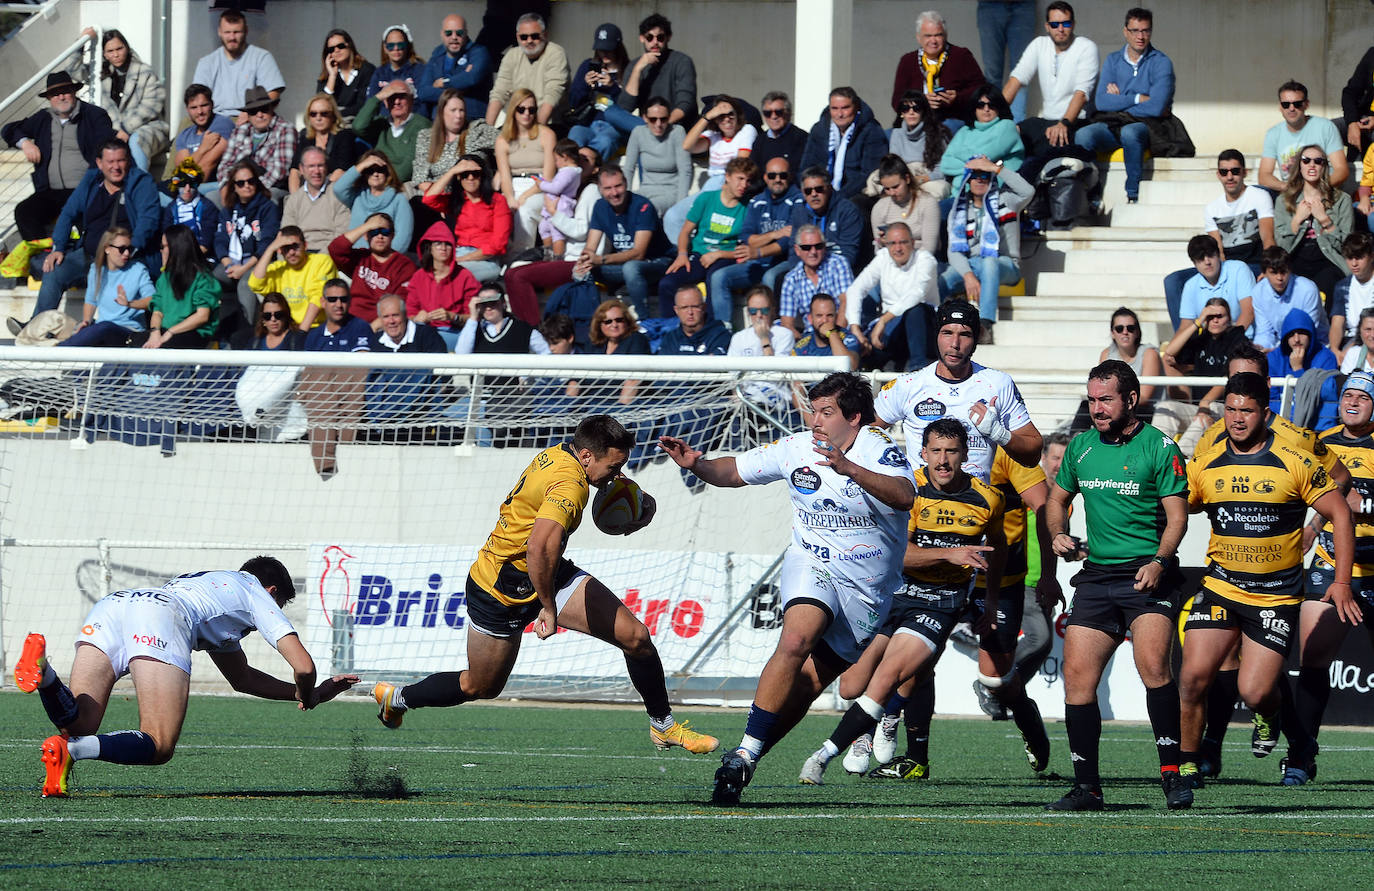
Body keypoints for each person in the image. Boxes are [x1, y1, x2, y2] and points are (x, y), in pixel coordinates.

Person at [373, 415, 719, 761]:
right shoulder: (571, 485)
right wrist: (549, 608)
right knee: (481, 686)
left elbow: (545, 546)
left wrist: (629, 495)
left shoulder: (559, 454)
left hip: (544, 573)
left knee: (636, 637)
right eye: (614, 467)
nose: (616, 475)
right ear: (586, 456)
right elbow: (539, 547)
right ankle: (398, 698)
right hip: (498, 587)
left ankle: (663, 724)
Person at [658, 372, 916, 804]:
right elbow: (735, 471)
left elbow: (906, 495)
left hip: (867, 588)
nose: (815, 420)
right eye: (813, 410)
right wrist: (698, 464)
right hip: (811, 561)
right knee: (795, 639)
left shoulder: (880, 450)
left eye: (827, 412)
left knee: (810, 685)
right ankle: (743, 752)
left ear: (855, 418)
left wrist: (847, 467)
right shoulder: (795, 448)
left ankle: (750, 758)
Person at [799, 419, 1049, 785]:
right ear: (923, 453)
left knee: (992, 679)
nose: (943, 461)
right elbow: (894, 555)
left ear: (966, 454)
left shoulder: (990, 492)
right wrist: (950, 554)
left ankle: (826, 755)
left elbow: (997, 550)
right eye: (936, 452)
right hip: (899, 593)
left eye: (951, 452)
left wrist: (991, 603)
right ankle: (886, 724)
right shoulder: (908, 489)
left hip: (945, 598)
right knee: (854, 686)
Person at [12, 557, 358, 797]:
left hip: (115, 604)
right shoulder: (255, 591)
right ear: (272, 592)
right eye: (279, 604)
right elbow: (304, 667)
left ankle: (45, 677)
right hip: (159, 615)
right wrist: (310, 690)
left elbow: (243, 678)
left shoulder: (212, 591)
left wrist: (302, 696)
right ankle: (72, 751)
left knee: (80, 721)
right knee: (159, 743)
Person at [1177, 372, 1356, 796]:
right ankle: (1185, 767)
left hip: (1274, 597)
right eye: (1231, 410)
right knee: (1192, 678)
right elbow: (1174, 512)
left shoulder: (1294, 460)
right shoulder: (1205, 463)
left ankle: (1270, 714)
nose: (1237, 419)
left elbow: (1342, 514)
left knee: (1255, 692)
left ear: (1266, 414)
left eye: (1247, 410)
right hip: (1220, 587)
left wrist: (1343, 582)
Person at [1043, 359, 1192, 811]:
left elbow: (1178, 517)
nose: (1097, 408)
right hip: (1097, 577)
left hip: (1148, 576)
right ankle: (1087, 787)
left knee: (1154, 669)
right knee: (1076, 681)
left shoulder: (1160, 447)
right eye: (1091, 399)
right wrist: (1056, 534)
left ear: (1131, 400)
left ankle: (1172, 775)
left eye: (1105, 399)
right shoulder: (1081, 446)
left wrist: (1160, 562)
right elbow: (1055, 501)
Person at [1278, 371, 1374, 785]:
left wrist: (1360, 503)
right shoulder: (1324, 444)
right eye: (1347, 395)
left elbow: (1350, 501)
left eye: (1362, 398)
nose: (1352, 402)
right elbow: (1320, 499)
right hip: (1331, 567)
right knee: (1314, 656)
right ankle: (1301, 756)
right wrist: (1314, 527)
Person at [875, 299, 1042, 478]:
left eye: (965, 335)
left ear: (976, 340)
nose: (955, 343)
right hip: (921, 503)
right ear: (936, 336)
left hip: (975, 503)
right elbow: (862, 435)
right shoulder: (907, 385)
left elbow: (1033, 455)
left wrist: (999, 434)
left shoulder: (998, 384)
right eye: (947, 333)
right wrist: (893, 472)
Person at [17, 138, 159, 333]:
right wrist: (58, 248)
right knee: (54, 271)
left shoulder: (141, 183)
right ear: (100, 163)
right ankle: (33, 329)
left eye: (121, 161)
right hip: (89, 256)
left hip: (127, 259)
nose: (116, 167)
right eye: (110, 162)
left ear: (128, 161)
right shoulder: (92, 181)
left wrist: (126, 251)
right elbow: (68, 213)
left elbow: (148, 222)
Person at [1, 72, 114, 282]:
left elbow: (105, 146)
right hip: (50, 191)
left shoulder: (93, 115)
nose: (61, 97)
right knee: (24, 212)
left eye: (65, 92)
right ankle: (43, 261)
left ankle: (85, 269)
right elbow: (8, 129)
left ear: (74, 92)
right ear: (49, 98)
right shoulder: (44, 118)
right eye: (55, 94)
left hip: (85, 188)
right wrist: (25, 142)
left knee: (89, 220)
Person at [1072, 8, 1175, 203]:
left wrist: (1119, 100)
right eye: (1135, 30)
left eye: (1146, 30)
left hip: (1149, 126)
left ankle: (1133, 194)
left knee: (1130, 132)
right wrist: (1137, 98)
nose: (1141, 36)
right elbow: (1101, 102)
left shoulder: (1162, 62)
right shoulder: (1113, 60)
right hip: (1114, 122)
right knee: (1083, 135)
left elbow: (1156, 107)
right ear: (1125, 31)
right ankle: (1092, 194)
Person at [1161, 150, 1276, 326]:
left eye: (1235, 171)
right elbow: (1217, 251)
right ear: (1218, 174)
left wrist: (1269, 268)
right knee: (1173, 281)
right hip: (1225, 268)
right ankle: (1183, 340)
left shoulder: (1259, 196)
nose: (1230, 177)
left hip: (1254, 266)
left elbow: (1268, 238)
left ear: (1245, 172)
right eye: (1224, 172)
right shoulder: (1212, 208)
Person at [941, 158, 1033, 342]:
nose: (980, 179)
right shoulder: (959, 209)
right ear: (968, 181)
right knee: (944, 277)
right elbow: (954, 251)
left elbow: (1028, 191)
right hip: (971, 265)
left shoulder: (1006, 201)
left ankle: (985, 324)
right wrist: (967, 275)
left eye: (985, 175)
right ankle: (937, 323)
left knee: (989, 262)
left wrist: (996, 168)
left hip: (1005, 264)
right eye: (975, 176)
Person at [657, 156, 754, 322]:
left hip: (726, 256)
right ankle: (671, 332)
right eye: (740, 179)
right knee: (667, 284)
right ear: (728, 177)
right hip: (699, 253)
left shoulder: (747, 207)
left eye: (748, 181)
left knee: (714, 280)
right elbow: (685, 231)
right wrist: (682, 255)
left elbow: (745, 249)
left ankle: (713, 331)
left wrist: (719, 254)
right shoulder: (707, 198)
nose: (744, 185)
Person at [1001, 2, 1098, 159]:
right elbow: (1016, 80)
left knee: (1048, 149)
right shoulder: (1039, 44)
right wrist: (996, 118)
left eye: (1065, 23)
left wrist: (1064, 123)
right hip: (1046, 121)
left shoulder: (1086, 47)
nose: (1060, 29)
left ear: (1073, 24)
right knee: (1009, 135)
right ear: (1047, 26)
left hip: (1074, 122)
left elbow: (1081, 93)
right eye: (1055, 24)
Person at [578, 164, 671, 317]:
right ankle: (592, 319)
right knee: (583, 271)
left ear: (626, 184)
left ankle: (644, 319)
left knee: (631, 268)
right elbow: (590, 246)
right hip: (624, 265)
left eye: (618, 186)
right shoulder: (600, 206)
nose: (614, 193)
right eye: (608, 188)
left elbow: (638, 253)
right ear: (600, 189)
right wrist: (585, 259)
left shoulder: (643, 206)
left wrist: (600, 259)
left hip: (657, 262)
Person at [1161, 297, 1251, 455]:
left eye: (1219, 316)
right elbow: (1170, 352)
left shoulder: (1237, 337)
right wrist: (1198, 321)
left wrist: (1205, 403)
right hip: (1198, 409)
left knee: (1207, 412)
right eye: (1210, 317)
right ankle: (1154, 454)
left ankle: (1179, 458)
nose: (1215, 320)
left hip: (1224, 409)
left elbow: (1229, 376)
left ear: (1229, 319)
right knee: (1166, 407)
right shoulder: (1201, 339)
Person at [844, 221, 939, 371]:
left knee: (915, 310)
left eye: (903, 242)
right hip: (893, 330)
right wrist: (855, 327)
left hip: (923, 332)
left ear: (913, 243)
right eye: (892, 243)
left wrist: (883, 320)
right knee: (858, 342)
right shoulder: (883, 257)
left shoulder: (926, 260)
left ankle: (918, 369)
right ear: (886, 245)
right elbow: (856, 289)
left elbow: (917, 294)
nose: (898, 248)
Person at [300, 278, 371, 478]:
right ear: (323, 302)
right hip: (322, 395)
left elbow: (360, 366)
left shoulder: (360, 327)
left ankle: (331, 459)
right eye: (332, 299)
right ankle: (327, 462)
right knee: (318, 382)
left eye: (343, 299)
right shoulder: (313, 336)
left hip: (348, 391)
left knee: (340, 377)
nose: (338, 304)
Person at [661, 95, 757, 242]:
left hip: (729, 184)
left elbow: (741, 165)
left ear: (737, 115)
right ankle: (682, 254)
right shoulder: (712, 135)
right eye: (721, 116)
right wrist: (708, 116)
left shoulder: (746, 131)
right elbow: (687, 146)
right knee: (673, 216)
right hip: (711, 187)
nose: (726, 120)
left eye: (730, 114)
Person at [714, 157, 805, 304]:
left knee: (770, 277)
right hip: (758, 262)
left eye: (782, 175)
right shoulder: (757, 201)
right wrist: (775, 234)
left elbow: (787, 242)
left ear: (790, 176)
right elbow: (746, 238)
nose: (777, 179)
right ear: (765, 177)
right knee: (719, 277)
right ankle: (724, 325)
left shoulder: (798, 200)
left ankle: (771, 324)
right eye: (772, 175)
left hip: (786, 261)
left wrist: (758, 251)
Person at [410, 88, 500, 233]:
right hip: (438, 196)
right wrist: (443, 201)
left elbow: (507, 143)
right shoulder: (426, 137)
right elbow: (420, 178)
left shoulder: (477, 131)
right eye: (453, 110)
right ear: (441, 112)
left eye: (462, 110)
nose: (458, 116)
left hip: (471, 195)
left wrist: (499, 174)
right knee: (417, 205)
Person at [1274, 144, 1355, 301]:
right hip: (1295, 259)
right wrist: (1297, 219)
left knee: (1328, 281)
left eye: (1318, 161)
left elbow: (1348, 247)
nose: (1312, 165)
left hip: (1329, 259)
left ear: (1324, 166)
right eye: (1306, 160)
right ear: (1300, 166)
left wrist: (1325, 220)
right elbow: (1281, 248)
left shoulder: (1341, 200)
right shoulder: (1284, 201)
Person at [85, 28, 168, 172]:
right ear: (104, 54)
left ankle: (138, 185)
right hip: (116, 132)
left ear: (127, 48)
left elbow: (151, 105)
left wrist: (126, 129)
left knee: (136, 141)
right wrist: (83, 42)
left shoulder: (144, 71)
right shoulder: (102, 75)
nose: (116, 54)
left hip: (148, 129)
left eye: (119, 48)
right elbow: (73, 70)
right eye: (110, 51)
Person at [422, 154, 511, 283]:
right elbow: (429, 199)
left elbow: (498, 245)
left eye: (475, 174)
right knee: (425, 276)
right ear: (459, 177)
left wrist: (462, 259)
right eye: (465, 174)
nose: (470, 178)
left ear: (482, 176)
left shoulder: (497, 200)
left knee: (453, 276)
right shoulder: (457, 200)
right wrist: (452, 171)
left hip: (485, 260)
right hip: (458, 253)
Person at [59, 226, 153, 348]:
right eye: (122, 249)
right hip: (102, 330)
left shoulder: (138, 269)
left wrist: (129, 304)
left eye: (129, 249)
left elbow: (152, 300)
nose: (126, 253)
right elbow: (91, 301)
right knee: (94, 329)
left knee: (104, 327)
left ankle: (58, 351)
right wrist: (86, 322)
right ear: (107, 249)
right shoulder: (96, 270)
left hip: (129, 332)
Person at [214, 159, 280, 330]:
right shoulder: (227, 210)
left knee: (246, 283)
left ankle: (248, 333)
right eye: (241, 183)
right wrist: (228, 264)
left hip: (258, 263)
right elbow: (220, 240)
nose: (247, 186)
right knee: (209, 281)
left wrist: (243, 268)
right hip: (233, 263)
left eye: (251, 181)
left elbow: (267, 244)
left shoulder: (267, 208)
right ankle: (216, 334)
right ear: (234, 186)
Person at [890, 10, 986, 128]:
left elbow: (981, 89)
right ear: (918, 38)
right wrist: (921, 102)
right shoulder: (908, 61)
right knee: (888, 135)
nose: (933, 41)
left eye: (938, 35)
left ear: (945, 36)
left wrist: (957, 98)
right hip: (917, 122)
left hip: (952, 119)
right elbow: (896, 101)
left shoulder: (961, 56)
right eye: (928, 36)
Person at [798, 86, 887, 201]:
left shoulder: (872, 131)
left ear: (855, 107)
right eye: (834, 108)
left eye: (845, 108)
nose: (840, 114)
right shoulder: (819, 130)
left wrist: (838, 197)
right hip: (820, 190)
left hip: (856, 193)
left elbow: (869, 173)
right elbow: (806, 167)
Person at [190, 9, 285, 118]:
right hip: (214, 118)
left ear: (246, 31)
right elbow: (197, 97)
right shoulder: (206, 62)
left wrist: (252, 113)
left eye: (237, 32)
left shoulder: (262, 57)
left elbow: (273, 93)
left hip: (252, 117)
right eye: (227, 32)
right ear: (219, 32)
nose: (232, 37)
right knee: (183, 129)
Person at [495, 88, 556, 253]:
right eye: (521, 109)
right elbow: (505, 177)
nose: (526, 114)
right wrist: (509, 197)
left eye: (532, 109)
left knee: (525, 210)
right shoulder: (502, 140)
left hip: (539, 186)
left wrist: (524, 196)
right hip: (513, 184)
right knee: (498, 209)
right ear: (513, 111)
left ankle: (521, 257)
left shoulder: (547, 135)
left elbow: (548, 177)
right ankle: (497, 256)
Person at [1259, 80, 1348, 192]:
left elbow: (1342, 171)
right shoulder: (1273, 134)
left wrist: (1315, 189)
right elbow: (1264, 176)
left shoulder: (1326, 127)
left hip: (1323, 192)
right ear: (1280, 107)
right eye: (1286, 104)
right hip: (1291, 194)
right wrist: (1287, 187)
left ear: (1306, 104)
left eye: (1297, 104)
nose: (1291, 108)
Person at [327, 213, 417, 324]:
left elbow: (399, 304)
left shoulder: (404, 265)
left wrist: (375, 326)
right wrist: (366, 226)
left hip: (384, 325)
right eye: (373, 232)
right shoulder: (360, 257)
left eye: (385, 232)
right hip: (351, 322)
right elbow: (335, 249)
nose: (380, 236)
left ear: (392, 236)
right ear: (366, 236)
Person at [1170, 235, 1256, 351]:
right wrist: (1171, 351)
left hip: (1243, 341)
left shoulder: (1239, 269)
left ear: (1219, 254)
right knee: (1168, 360)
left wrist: (1228, 342)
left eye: (1210, 255)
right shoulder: (1190, 285)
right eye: (1200, 258)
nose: (1207, 262)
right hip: (1208, 345)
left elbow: (1249, 312)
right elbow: (1185, 326)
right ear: (1194, 263)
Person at [483, 13, 569, 126]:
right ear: (517, 37)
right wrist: (486, 130)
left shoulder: (555, 53)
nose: (529, 41)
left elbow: (552, 95)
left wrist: (535, 133)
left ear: (545, 35)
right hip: (515, 122)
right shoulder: (512, 55)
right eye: (524, 37)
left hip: (548, 123)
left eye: (534, 36)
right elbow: (499, 92)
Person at [565, 22, 635, 160]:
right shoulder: (587, 66)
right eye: (601, 49)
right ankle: (576, 174)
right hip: (588, 122)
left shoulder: (628, 69)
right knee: (575, 137)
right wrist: (585, 85)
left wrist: (613, 87)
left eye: (609, 49)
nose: (604, 53)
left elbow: (628, 105)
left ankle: (589, 173)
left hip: (613, 126)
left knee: (605, 142)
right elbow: (573, 101)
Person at [143, 224, 220, 350]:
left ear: (177, 248)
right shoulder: (164, 278)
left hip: (194, 334)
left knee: (165, 347)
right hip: (166, 332)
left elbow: (202, 316)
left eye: (164, 246)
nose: (161, 251)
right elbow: (157, 311)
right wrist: (154, 332)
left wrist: (171, 332)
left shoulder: (203, 278)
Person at [247, 226, 338, 330]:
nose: (291, 252)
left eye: (295, 246)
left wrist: (301, 332)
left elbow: (318, 297)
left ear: (305, 245)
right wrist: (271, 248)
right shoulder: (277, 268)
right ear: (280, 250)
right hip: (287, 329)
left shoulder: (321, 261)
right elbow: (255, 285)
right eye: (286, 248)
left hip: (317, 327)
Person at [408, 221, 480, 349]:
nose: (443, 247)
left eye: (448, 244)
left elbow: (475, 318)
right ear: (430, 248)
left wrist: (453, 317)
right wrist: (417, 319)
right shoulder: (418, 277)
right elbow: (409, 313)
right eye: (438, 243)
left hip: (453, 333)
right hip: (423, 332)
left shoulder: (465, 276)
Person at [616, 14, 697, 128]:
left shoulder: (682, 61)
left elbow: (685, 103)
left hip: (676, 126)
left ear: (668, 37)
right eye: (649, 37)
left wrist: (662, 125)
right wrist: (638, 69)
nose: (655, 42)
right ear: (642, 38)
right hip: (646, 127)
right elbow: (625, 107)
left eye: (660, 37)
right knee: (612, 113)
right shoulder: (635, 65)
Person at [1267, 309, 1340, 431]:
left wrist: (1298, 370)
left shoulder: (1327, 357)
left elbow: (1324, 399)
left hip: (1316, 425)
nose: (1296, 339)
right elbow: (1271, 399)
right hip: (1280, 425)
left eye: (1301, 333)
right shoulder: (1273, 358)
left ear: (1311, 334)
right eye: (1291, 334)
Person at [783, 167, 865, 273]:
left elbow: (849, 255)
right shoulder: (799, 212)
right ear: (803, 193)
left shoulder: (847, 211)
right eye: (808, 191)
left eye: (819, 189)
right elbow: (794, 252)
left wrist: (823, 275)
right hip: (808, 269)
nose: (814, 194)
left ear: (829, 188)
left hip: (839, 271)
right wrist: (803, 274)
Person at [219, 86, 296, 198]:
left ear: (271, 108)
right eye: (253, 111)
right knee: (208, 195)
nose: (259, 115)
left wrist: (250, 189)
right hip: (238, 186)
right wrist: (227, 186)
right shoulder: (240, 131)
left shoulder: (285, 129)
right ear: (248, 114)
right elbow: (225, 165)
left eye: (264, 109)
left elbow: (280, 171)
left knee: (270, 197)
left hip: (269, 187)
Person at [779, 224, 854, 338]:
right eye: (806, 247)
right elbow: (786, 324)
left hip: (841, 334)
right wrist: (805, 346)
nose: (813, 252)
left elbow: (847, 303)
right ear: (797, 250)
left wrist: (834, 338)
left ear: (824, 247)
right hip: (811, 341)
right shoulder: (791, 279)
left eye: (818, 246)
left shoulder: (838, 264)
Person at [622, 96, 691, 217]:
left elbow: (685, 171)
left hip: (670, 192)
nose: (658, 124)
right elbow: (629, 168)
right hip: (645, 189)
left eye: (663, 119)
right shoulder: (638, 132)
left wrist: (681, 205)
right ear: (645, 118)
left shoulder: (677, 132)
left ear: (669, 118)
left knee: (646, 209)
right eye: (653, 119)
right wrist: (625, 196)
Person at [513, 138, 583, 258]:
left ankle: (557, 258)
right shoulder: (567, 171)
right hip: (550, 209)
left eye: (556, 159)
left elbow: (556, 188)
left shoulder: (569, 172)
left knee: (557, 234)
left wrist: (541, 184)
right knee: (544, 229)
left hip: (560, 208)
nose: (555, 163)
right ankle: (548, 254)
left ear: (565, 157)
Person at [333, 151, 414, 253]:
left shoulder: (399, 200)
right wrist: (362, 165)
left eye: (380, 170)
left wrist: (383, 260)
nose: (375, 174)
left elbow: (403, 238)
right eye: (370, 170)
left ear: (387, 172)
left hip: (384, 261)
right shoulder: (357, 195)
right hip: (357, 258)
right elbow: (338, 188)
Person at [352, 80, 431, 185]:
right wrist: (377, 98)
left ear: (411, 100)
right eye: (392, 97)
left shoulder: (422, 125)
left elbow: (408, 167)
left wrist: (384, 184)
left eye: (402, 97)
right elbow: (358, 127)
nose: (397, 102)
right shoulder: (381, 124)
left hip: (405, 185)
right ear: (385, 102)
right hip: (378, 182)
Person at [938, 85, 1025, 179]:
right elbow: (945, 164)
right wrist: (972, 165)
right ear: (974, 108)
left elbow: (984, 157)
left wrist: (958, 156)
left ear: (999, 107)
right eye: (981, 105)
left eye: (992, 105)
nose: (986, 109)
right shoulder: (965, 130)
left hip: (995, 188)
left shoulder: (1007, 126)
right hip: (961, 190)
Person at [1250, 246, 1326, 352]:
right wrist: (1261, 350)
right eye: (1274, 273)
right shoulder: (1258, 292)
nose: (1280, 278)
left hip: (1314, 346)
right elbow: (1264, 332)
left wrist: (1278, 353)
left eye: (1283, 272)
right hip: (1279, 346)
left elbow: (1309, 332)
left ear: (1290, 270)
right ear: (1264, 273)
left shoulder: (1307, 289)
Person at [419, 14, 493, 121]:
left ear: (466, 33)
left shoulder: (479, 52)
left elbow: (471, 78)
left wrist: (445, 83)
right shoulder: (436, 56)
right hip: (438, 120)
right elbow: (423, 92)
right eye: (448, 33)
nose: (454, 37)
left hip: (471, 118)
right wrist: (459, 86)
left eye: (459, 33)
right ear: (442, 34)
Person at [870, 153, 941, 256]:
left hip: (923, 261)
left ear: (907, 179)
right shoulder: (879, 208)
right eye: (887, 189)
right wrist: (881, 243)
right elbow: (878, 251)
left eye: (896, 187)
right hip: (892, 262)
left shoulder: (927, 202)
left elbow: (929, 248)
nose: (892, 193)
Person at [282, 147, 351, 253]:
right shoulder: (294, 200)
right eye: (311, 166)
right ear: (301, 169)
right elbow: (287, 236)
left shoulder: (338, 195)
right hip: (301, 255)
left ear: (326, 167)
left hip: (330, 255)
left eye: (320, 165)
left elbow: (342, 235)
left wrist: (318, 261)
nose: (316, 171)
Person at [169, 84, 234, 192]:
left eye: (204, 105)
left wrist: (184, 185)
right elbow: (181, 171)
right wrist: (203, 149)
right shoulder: (185, 135)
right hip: (189, 187)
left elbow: (207, 166)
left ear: (212, 105)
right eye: (194, 107)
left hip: (216, 186)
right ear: (187, 110)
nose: (200, 112)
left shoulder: (223, 124)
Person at [290, 94, 358, 189]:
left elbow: (341, 171)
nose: (318, 118)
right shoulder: (305, 137)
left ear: (333, 115)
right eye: (313, 114)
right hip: (308, 189)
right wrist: (295, 198)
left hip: (333, 189)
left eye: (324, 113)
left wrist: (318, 195)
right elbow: (295, 170)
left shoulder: (344, 136)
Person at [885, 92, 949, 186]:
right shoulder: (896, 134)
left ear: (923, 111)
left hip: (930, 179)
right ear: (902, 113)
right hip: (904, 178)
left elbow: (943, 168)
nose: (911, 112)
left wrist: (922, 179)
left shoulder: (937, 133)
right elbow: (895, 165)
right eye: (906, 109)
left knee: (939, 188)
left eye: (916, 108)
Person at [159, 159, 220, 258]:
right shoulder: (171, 208)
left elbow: (206, 243)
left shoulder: (207, 207)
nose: (187, 189)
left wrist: (189, 259)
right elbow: (166, 239)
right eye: (183, 184)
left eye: (192, 184)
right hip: (176, 257)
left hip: (202, 258)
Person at [316, 29, 375, 122]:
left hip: (357, 123)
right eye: (331, 49)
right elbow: (320, 106)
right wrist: (332, 76)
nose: (336, 50)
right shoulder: (326, 75)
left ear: (349, 46)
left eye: (341, 46)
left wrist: (335, 114)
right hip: (331, 123)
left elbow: (363, 105)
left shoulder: (367, 70)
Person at [792, 293, 861, 371]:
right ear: (810, 318)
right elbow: (794, 379)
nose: (825, 320)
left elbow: (850, 366)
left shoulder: (849, 339)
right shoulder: (801, 346)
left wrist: (832, 334)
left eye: (829, 315)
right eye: (819, 315)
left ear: (836, 317)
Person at [1330, 233, 1374, 355]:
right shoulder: (1342, 286)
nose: (1354, 264)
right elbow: (1337, 323)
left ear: (1371, 256)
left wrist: (1353, 348)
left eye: (1359, 258)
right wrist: (1334, 350)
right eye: (1349, 258)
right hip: (1350, 339)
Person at [656, 284, 730, 355]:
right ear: (676, 310)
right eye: (684, 307)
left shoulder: (720, 336)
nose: (690, 312)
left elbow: (714, 366)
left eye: (695, 307)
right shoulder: (670, 338)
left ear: (704, 307)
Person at [369, 24, 426, 111]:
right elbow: (370, 103)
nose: (396, 49)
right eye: (391, 46)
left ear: (407, 46)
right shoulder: (379, 73)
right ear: (385, 48)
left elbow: (422, 105)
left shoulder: (419, 70)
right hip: (384, 121)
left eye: (400, 45)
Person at [752, 91, 808, 173]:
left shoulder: (802, 138)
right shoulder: (760, 140)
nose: (774, 116)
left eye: (778, 112)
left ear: (788, 113)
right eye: (768, 113)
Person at [234, 292, 306, 351]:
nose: (273, 319)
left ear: (286, 315)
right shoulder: (255, 342)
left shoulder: (297, 339)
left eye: (278, 315)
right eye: (267, 316)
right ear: (262, 319)